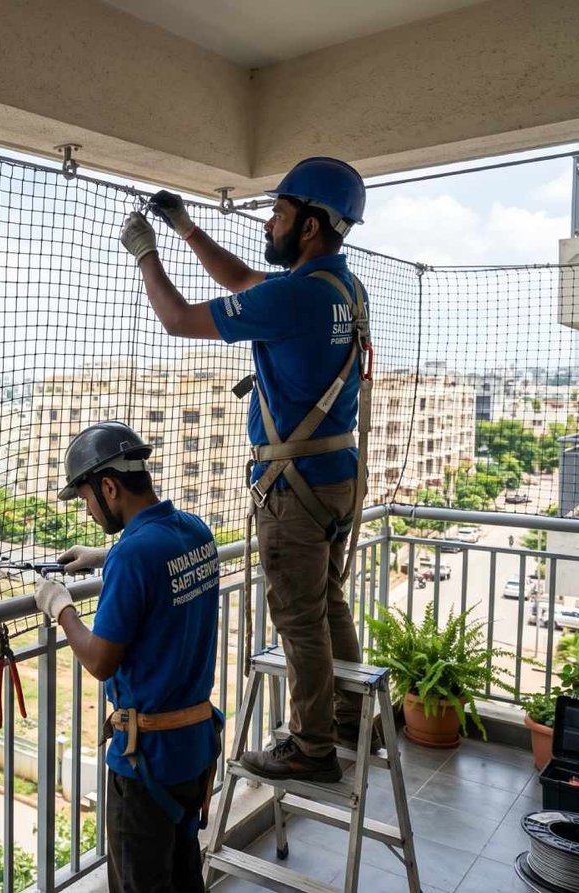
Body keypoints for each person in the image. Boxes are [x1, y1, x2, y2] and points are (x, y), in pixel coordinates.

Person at [116, 157, 370, 782]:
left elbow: (177, 320)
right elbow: (250, 285)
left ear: (310, 226)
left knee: (297, 618)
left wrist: (146, 252)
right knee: (328, 600)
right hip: (337, 476)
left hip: (295, 490)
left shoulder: (295, 297)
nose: (270, 222)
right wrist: (188, 229)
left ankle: (311, 748)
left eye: (280, 213)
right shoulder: (340, 289)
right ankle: (346, 715)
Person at [33, 421, 221, 893]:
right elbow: (160, 567)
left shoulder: (134, 556)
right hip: (193, 750)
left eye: (86, 499)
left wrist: (62, 607)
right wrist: (107, 556)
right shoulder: (195, 531)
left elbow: (100, 661)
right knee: (184, 878)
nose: (89, 509)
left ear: (110, 486)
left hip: (145, 766)